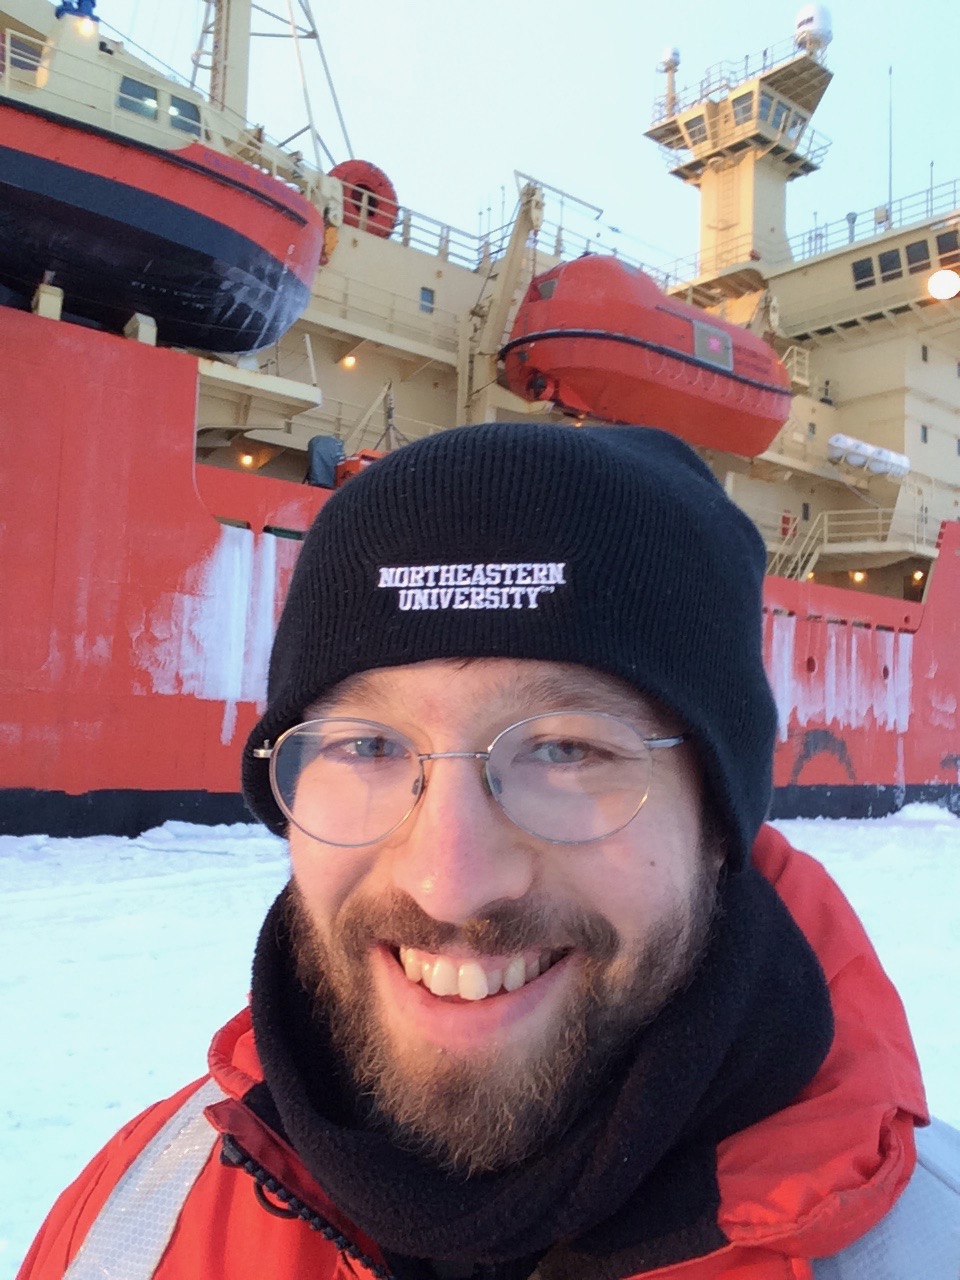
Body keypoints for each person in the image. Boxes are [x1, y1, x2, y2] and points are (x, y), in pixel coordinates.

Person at [17, 423, 960, 1280]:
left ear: (719, 823)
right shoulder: (134, 1215)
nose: (451, 881)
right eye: (367, 745)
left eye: (567, 748)